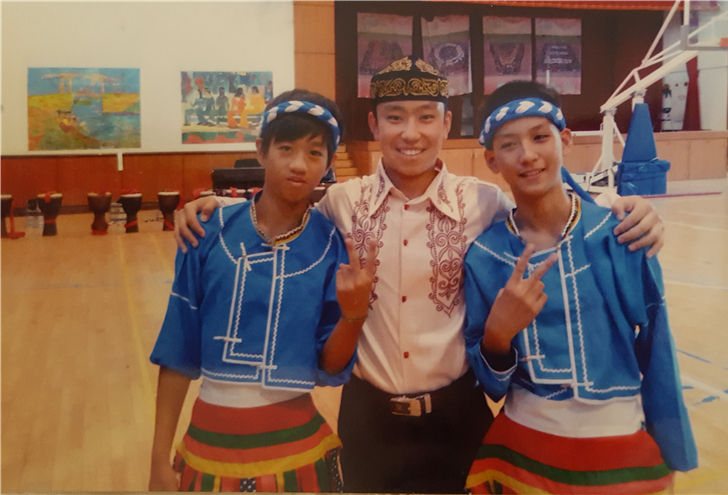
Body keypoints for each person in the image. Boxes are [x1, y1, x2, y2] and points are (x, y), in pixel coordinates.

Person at [173, 56, 666, 494]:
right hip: (367, 419)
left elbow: (546, 208)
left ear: (446, 123)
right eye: (395, 117)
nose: (411, 133)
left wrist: (618, 204)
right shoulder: (341, 204)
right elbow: (282, 213)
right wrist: (217, 206)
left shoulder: (484, 202)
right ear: (374, 124)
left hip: (458, 415)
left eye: (426, 117)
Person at [462, 81, 697, 494]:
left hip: (621, 445)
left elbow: (657, 346)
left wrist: (672, 445)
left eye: (540, 137)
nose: (527, 155)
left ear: (566, 140)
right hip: (524, 450)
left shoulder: (621, 235)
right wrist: (498, 334)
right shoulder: (484, 256)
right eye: (510, 144)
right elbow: (491, 385)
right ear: (492, 160)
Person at [149, 88, 378, 492]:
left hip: (298, 451)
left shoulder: (333, 248)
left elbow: (330, 366)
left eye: (314, 153)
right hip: (208, 446)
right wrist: (157, 461)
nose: (298, 164)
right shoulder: (205, 232)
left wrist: (354, 314)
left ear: (328, 164)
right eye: (285, 148)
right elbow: (177, 352)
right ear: (261, 150)